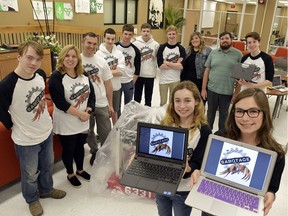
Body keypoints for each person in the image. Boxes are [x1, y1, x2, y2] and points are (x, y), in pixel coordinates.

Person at [0, 41, 66, 216]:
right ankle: (32, 199)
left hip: (46, 132)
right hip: (25, 140)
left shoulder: (40, 74)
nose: (33, 63)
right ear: (19, 56)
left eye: (38, 59)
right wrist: (13, 124)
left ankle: (46, 189)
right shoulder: (7, 85)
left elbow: (41, 96)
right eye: (29, 58)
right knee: (30, 174)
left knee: (47, 166)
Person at [199, 88, 286, 216]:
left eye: (253, 111)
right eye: (239, 111)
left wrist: (270, 195)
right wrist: (198, 171)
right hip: (215, 198)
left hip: (246, 206)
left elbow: (272, 187)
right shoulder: (220, 137)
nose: (245, 118)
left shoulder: (276, 153)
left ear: (265, 114)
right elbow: (207, 168)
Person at [156, 81, 212, 216]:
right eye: (177, 101)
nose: (182, 106)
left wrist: (188, 169)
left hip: (183, 189)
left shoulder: (204, 130)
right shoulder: (166, 123)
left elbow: (199, 162)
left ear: (197, 101)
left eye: (187, 100)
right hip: (161, 184)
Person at [49, 45, 95, 188]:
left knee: (80, 146)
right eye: (67, 56)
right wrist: (81, 114)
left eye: (74, 56)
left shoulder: (84, 74)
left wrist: (88, 110)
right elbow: (60, 102)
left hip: (83, 119)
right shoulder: (56, 76)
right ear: (62, 58)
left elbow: (92, 95)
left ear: (78, 59)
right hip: (66, 121)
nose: (70, 59)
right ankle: (70, 173)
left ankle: (80, 170)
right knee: (69, 149)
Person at [81, 32, 114, 166]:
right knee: (89, 132)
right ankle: (95, 151)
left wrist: (110, 104)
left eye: (94, 44)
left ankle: (106, 153)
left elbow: (108, 83)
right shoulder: (76, 60)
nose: (91, 46)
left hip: (101, 102)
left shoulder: (101, 61)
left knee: (106, 131)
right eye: (89, 43)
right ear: (83, 43)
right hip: (84, 104)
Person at [201, 31, 242, 131]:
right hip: (212, 90)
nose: (224, 41)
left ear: (231, 40)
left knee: (224, 117)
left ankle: (221, 137)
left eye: (227, 38)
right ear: (220, 41)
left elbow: (240, 77)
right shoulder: (213, 53)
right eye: (222, 39)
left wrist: (236, 93)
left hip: (227, 91)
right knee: (210, 115)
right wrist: (203, 89)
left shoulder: (238, 54)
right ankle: (207, 135)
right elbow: (207, 71)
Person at [96, 28, 125, 125]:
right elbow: (99, 73)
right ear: (104, 38)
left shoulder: (119, 53)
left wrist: (106, 71)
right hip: (103, 89)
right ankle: (106, 132)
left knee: (115, 111)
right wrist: (114, 71)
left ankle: (115, 131)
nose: (110, 41)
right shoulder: (98, 54)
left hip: (116, 87)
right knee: (104, 112)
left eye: (113, 39)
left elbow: (121, 72)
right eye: (108, 38)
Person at [157, 25, 186, 107]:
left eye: (173, 34)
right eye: (170, 34)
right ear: (167, 35)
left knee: (173, 103)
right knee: (163, 103)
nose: (171, 36)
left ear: (177, 35)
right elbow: (160, 66)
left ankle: (172, 119)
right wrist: (176, 64)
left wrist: (167, 62)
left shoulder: (181, 49)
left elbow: (181, 67)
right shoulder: (162, 48)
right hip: (163, 80)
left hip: (175, 80)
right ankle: (163, 119)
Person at [180, 31, 212, 105]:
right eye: (192, 39)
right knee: (187, 102)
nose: (194, 40)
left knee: (199, 104)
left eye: (196, 38)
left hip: (200, 82)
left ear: (200, 39)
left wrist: (204, 88)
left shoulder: (207, 50)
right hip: (186, 81)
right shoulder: (187, 50)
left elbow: (209, 69)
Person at [116, 24, 141, 114]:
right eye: (125, 34)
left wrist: (132, 82)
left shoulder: (135, 50)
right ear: (122, 33)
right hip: (117, 81)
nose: (127, 36)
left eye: (130, 34)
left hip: (128, 82)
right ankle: (117, 125)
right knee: (116, 107)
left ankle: (125, 124)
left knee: (128, 107)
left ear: (132, 35)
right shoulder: (115, 47)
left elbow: (138, 68)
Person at [133, 23, 159, 107]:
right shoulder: (135, 44)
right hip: (138, 75)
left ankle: (147, 116)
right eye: (144, 31)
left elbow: (157, 59)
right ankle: (137, 114)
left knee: (148, 99)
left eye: (148, 31)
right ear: (141, 32)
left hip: (150, 75)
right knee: (137, 98)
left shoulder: (156, 44)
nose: (146, 33)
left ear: (151, 32)